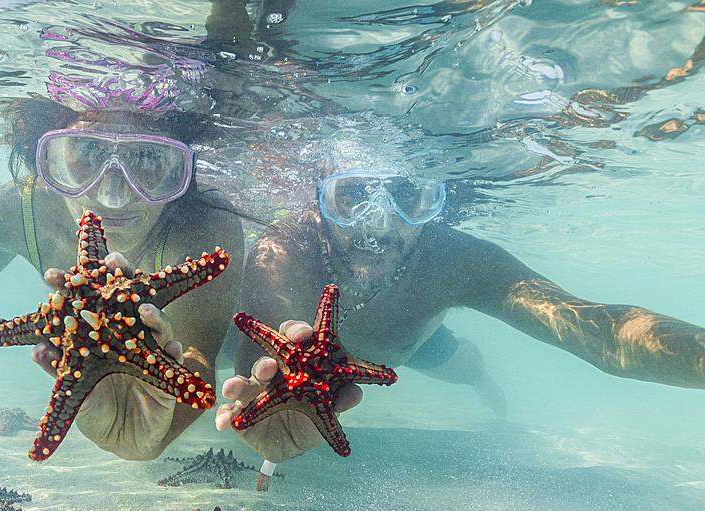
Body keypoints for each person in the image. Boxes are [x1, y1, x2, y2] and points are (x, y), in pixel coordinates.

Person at [216, 146, 705, 466]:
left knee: (466, 367)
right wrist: (263, 402)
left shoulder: (453, 259)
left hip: (408, 350)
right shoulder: (285, 248)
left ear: (435, 202)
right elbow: (260, 342)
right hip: (317, 369)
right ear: (320, 194)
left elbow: (600, 329)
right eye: (355, 195)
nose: (380, 223)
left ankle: (481, 382)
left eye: (409, 197)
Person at [0, 96, 244, 461]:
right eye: (88, 148)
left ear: (177, 166)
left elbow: (199, 355)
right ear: (50, 159)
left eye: (148, 155)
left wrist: (147, 442)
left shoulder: (204, 227)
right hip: (84, 320)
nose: (113, 196)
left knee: (241, 355)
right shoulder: (17, 210)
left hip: (221, 326)